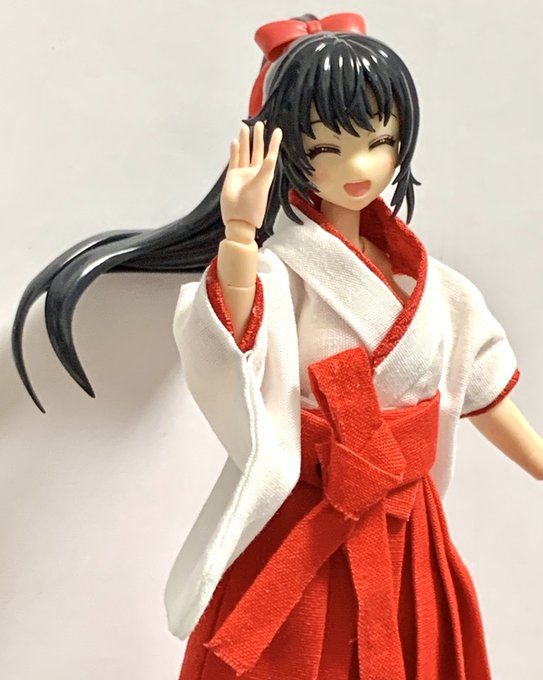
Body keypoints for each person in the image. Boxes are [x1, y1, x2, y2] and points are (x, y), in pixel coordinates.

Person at [12, 12, 543, 680]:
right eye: (326, 148)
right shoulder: (280, 271)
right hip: (310, 513)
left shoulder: (440, 289)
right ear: (287, 148)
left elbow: (482, 393)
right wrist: (238, 234)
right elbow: (234, 338)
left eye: (378, 141)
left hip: (406, 521)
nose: (357, 166)